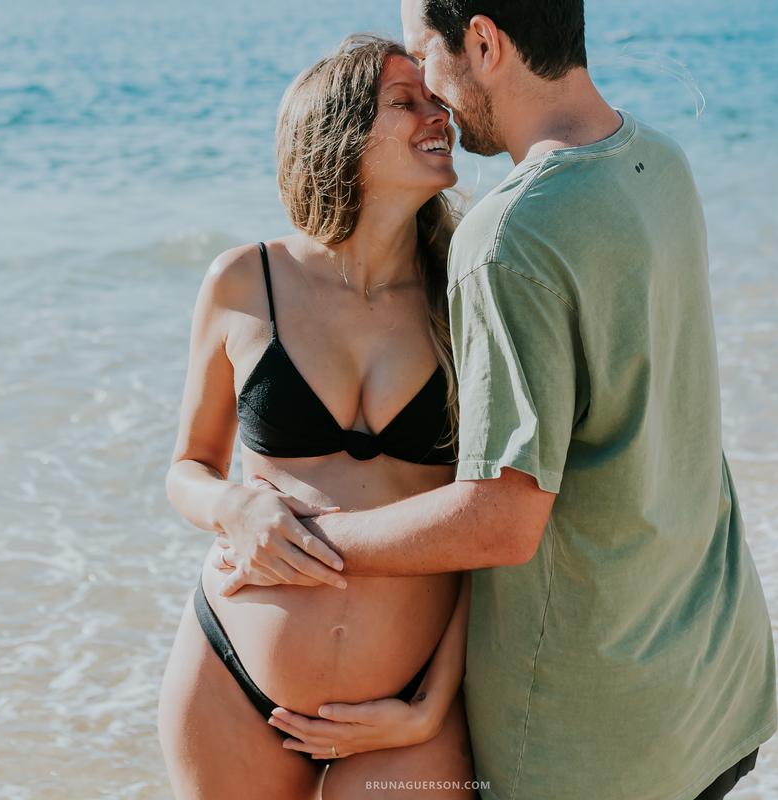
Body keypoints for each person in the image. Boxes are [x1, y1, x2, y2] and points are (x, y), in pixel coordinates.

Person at [212, 1, 778, 799]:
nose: (435, 100)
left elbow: (502, 518)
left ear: (483, 41)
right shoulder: (659, 160)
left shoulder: (507, 236)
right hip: (710, 680)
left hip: (587, 732)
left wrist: (297, 534)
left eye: (425, 60)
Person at [157, 35, 483, 799]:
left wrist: (435, 703)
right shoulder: (244, 281)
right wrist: (233, 504)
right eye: (407, 101)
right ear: (336, 129)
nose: (440, 115)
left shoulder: (467, 290)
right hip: (231, 679)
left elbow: (496, 518)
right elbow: (186, 470)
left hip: (404, 713)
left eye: (437, 99)